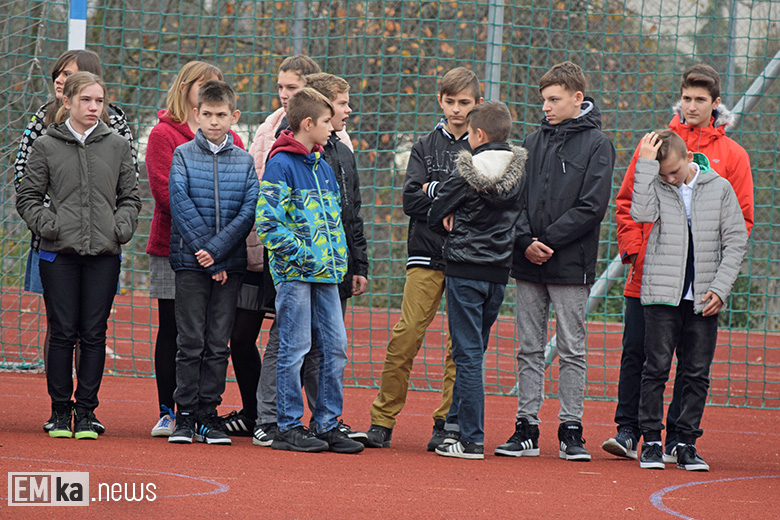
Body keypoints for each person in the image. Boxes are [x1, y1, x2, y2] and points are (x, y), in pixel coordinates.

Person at [603, 64, 755, 462]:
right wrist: (636, 255)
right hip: (651, 278)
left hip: (701, 283)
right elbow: (628, 207)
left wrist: (721, 284)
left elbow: (741, 224)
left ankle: (679, 441)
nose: (690, 106)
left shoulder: (731, 157)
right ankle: (630, 431)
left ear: (715, 104)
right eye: (686, 98)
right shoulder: (652, 146)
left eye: (700, 100)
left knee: (692, 367)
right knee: (639, 355)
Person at [14, 49, 138, 435]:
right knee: (63, 331)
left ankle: (86, 412)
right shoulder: (46, 144)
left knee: (94, 333)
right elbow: (27, 196)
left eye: (99, 100)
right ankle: (59, 412)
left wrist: (120, 229)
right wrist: (48, 226)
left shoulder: (117, 145)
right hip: (57, 253)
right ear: (66, 101)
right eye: (86, 99)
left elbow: (131, 197)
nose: (94, 107)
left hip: (104, 254)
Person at [496, 61, 614, 461]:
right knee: (528, 346)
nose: (545, 106)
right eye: (543, 99)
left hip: (570, 264)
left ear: (577, 99)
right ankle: (526, 427)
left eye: (553, 99)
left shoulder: (598, 144)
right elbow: (517, 199)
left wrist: (548, 240)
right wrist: (526, 241)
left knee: (572, 348)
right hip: (529, 261)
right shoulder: (532, 141)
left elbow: (592, 206)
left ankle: (571, 429)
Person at [364, 67, 482, 451]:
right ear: (440, 101)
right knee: (406, 335)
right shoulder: (424, 145)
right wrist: (445, 196)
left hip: (469, 255)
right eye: (450, 101)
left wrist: (441, 196)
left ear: (477, 104)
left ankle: (446, 423)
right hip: (425, 253)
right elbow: (409, 200)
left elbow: (486, 200)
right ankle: (382, 420)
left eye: (464, 102)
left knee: (459, 346)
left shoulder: (485, 146)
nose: (457, 109)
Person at [252, 72, 368, 447]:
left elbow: (336, 222)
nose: (331, 128)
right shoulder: (281, 165)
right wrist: (303, 254)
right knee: (294, 347)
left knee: (335, 348)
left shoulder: (324, 166)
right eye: (324, 122)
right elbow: (267, 224)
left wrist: (340, 261)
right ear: (308, 124)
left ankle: (327, 423)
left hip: (328, 276)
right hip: (296, 275)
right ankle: (287, 425)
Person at [631, 130, 748, 471]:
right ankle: (651, 441)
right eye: (662, 172)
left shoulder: (720, 188)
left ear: (688, 158)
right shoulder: (654, 181)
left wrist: (720, 289)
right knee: (655, 369)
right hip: (661, 295)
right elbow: (640, 212)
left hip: (703, 298)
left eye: (673, 171)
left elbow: (736, 242)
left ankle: (685, 443)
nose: (669, 178)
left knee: (696, 373)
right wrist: (645, 165)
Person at [145, 61, 246, 438]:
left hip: (219, 254)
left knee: (212, 336)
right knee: (175, 329)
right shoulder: (165, 135)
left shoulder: (234, 144)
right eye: (204, 86)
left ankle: (205, 410)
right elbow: (167, 192)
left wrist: (217, 251)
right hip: (176, 247)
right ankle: (171, 410)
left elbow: (243, 202)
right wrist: (205, 246)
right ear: (188, 89)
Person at [427, 101, 526, 460]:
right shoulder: (519, 172)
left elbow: (435, 211)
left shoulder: (466, 171)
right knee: (474, 349)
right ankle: (454, 425)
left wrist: (448, 211)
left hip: (466, 269)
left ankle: (471, 438)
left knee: (466, 355)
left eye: (469, 133)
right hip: (498, 273)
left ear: (478, 135)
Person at [166, 80, 259, 445]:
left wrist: (219, 254)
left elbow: (248, 211)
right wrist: (208, 258)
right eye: (208, 114)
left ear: (234, 116)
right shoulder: (183, 155)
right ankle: (185, 415)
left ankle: (209, 414)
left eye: (222, 115)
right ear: (196, 115)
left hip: (228, 267)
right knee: (191, 341)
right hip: (192, 265)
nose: (215, 121)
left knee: (218, 342)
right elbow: (180, 204)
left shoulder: (245, 160)